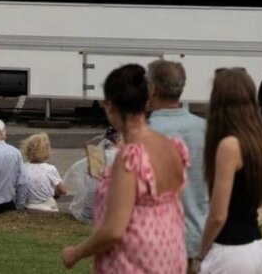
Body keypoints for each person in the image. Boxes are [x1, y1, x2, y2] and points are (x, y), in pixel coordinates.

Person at [61, 64, 188, 273]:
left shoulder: (130, 158)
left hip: (134, 262)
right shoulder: (172, 146)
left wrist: (75, 253)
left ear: (110, 105)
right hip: (169, 258)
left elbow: (113, 230)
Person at [196, 68, 262, 274]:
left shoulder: (229, 146)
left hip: (230, 250)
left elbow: (218, 214)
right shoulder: (259, 139)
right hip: (256, 247)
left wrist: (200, 254)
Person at [147, 59, 209, 272]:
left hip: (160, 240)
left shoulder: (149, 133)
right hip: (200, 236)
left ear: (153, 89)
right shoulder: (205, 129)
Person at [64, 127, 123, 224]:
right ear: (118, 140)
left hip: (88, 212)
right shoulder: (120, 156)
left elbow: (72, 174)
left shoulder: (96, 155)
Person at [17, 132, 67, 211]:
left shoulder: (22, 168)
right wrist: (56, 194)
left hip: (29, 205)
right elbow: (63, 190)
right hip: (47, 205)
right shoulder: (50, 169)